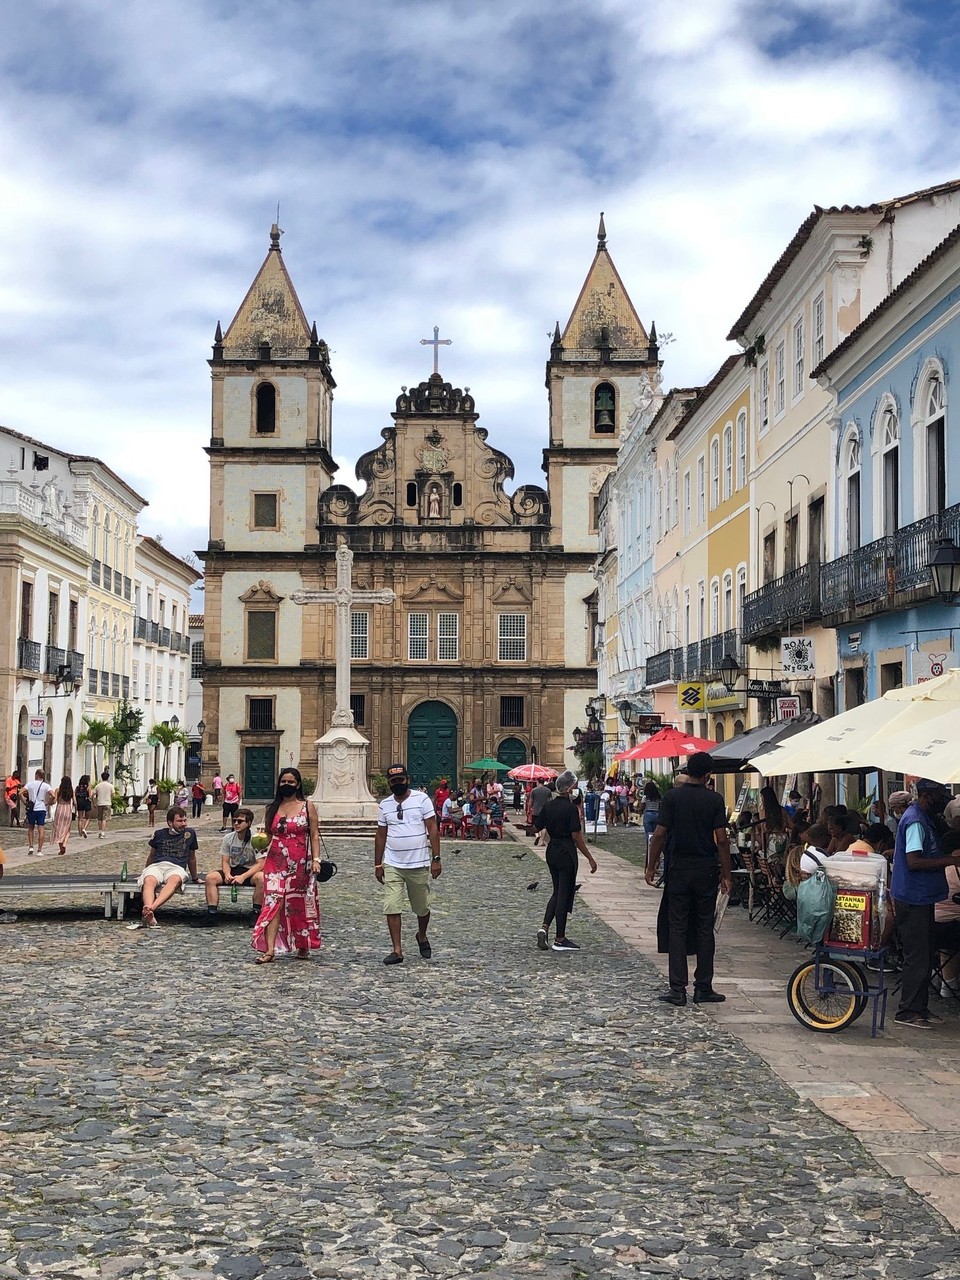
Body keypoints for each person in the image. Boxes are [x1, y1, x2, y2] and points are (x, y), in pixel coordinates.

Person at [645, 751, 731, 1006]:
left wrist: (651, 865)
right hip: (706, 869)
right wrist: (726, 874)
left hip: (679, 869)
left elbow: (660, 834)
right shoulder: (714, 800)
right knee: (705, 928)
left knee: (677, 927)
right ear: (707, 776)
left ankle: (678, 988)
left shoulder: (672, 797)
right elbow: (723, 839)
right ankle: (703, 986)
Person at [891, 779, 960, 1029]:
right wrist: (949, 861)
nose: (943, 802)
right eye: (939, 797)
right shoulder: (915, 821)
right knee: (917, 956)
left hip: (924, 896)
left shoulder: (924, 818)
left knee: (926, 951)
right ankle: (908, 1010)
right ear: (927, 796)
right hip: (912, 896)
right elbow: (914, 861)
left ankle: (920, 1006)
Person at [252, 768, 321, 963]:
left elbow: (314, 835)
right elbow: (268, 834)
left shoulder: (307, 806)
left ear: (298, 784)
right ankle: (270, 949)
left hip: (300, 862)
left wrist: (316, 860)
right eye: (283, 781)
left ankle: (302, 944)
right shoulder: (271, 808)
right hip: (275, 862)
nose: (287, 785)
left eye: (291, 782)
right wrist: (259, 841)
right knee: (273, 902)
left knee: (297, 903)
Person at [374, 762, 441, 965]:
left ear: (408, 780)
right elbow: (380, 834)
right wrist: (378, 864)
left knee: (421, 908)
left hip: (418, 862)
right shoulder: (385, 805)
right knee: (392, 905)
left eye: (400, 780)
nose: (397, 784)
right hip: (393, 863)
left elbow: (432, 828)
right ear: (389, 783)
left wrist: (436, 858)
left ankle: (421, 935)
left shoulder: (422, 800)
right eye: (393, 781)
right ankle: (397, 950)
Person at [535, 769, 598, 951]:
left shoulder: (549, 806)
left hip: (551, 850)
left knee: (557, 891)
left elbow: (536, 827)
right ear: (569, 789)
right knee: (564, 894)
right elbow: (576, 836)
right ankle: (560, 939)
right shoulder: (570, 809)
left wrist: (524, 827)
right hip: (566, 851)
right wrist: (590, 858)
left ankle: (544, 927)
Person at [135, 805, 200, 927]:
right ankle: (149, 911)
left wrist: (195, 878)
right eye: (179, 821)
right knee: (149, 880)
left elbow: (192, 857)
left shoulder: (190, 834)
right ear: (170, 823)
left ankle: (151, 909)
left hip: (177, 867)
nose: (183, 824)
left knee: (174, 880)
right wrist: (144, 871)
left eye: (185, 820)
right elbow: (151, 855)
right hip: (158, 865)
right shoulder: (159, 834)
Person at [199, 807, 265, 926]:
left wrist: (244, 877)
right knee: (211, 878)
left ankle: (256, 913)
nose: (236, 824)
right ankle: (211, 914)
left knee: (262, 878)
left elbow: (260, 863)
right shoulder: (228, 838)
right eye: (234, 820)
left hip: (250, 871)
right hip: (234, 869)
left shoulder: (256, 839)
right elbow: (225, 861)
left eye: (240, 821)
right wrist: (227, 874)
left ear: (248, 823)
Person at [25, 769, 54, 855]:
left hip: (32, 809)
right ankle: (39, 850)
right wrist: (47, 803)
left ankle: (31, 847)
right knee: (41, 828)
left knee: (31, 827)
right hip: (41, 808)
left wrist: (25, 802)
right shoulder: (46, 786)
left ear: (36, 775)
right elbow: (53, 795)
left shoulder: (30, 784)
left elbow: (20, 793)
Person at [51, 776, 74, 856]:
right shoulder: (71, 791)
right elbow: (75, 802)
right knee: (67, 829)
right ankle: (64, 843)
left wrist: (49, 802)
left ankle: (61, 848)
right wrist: (76, 811)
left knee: (58, 829)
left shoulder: (58, 790)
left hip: (60, 809)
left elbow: (54, 801)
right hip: (67, 809)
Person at [530, 778, 552, 846]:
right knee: (544, 826)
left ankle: (537, 836)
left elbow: (531, 800)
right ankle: (542, 841)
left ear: (537, 782)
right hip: (545, 810)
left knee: (535, 825)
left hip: (536, 810)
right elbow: (550, 800)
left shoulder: (534, 790)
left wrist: (529, 808)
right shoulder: (548, 790)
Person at [94, 771, 114, 838]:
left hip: (100, 803)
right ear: (108, 778)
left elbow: (93, 795)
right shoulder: (110, 786)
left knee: (99, 818)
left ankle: (100, 832)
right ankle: (103, 832)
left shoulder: (98, 786)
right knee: (104, 818)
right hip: (107, 803)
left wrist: (94, 802)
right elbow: (113, 794)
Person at [74, 774, 92, 839]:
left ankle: (80, 834)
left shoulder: (77, 787)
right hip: (86, 801)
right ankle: (84, 829)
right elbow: (90, 796)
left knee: (80, 818)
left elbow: (74, 795)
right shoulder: (88, 787)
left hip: (79, 802)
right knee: (88, 818)